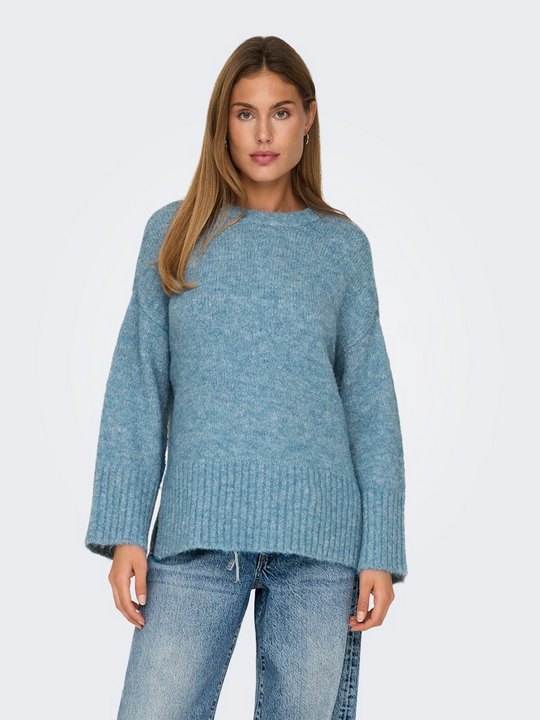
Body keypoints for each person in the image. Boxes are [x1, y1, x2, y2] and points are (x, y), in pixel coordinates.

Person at [84, 35, 408, 720]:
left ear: (308, 118)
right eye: (245, 113)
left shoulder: (341, 248)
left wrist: (380, 548)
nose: (263, 134)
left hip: (321, 547)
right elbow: (138, 387)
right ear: (222, 123)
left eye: (281, 112)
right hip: (195, 536)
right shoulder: (174, 233)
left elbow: (370, 406)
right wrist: (124, 529)